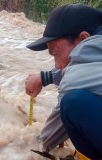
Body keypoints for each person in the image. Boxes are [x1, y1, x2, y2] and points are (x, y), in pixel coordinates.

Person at [25, 3, 102, 160]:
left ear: (83, 39)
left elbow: (48, 139)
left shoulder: (73, 81)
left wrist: (27, 148)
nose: (56, 65)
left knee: (74, 102)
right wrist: (45, 77)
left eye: (56, 54)